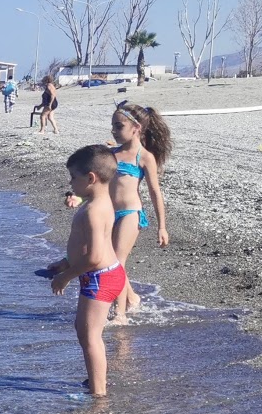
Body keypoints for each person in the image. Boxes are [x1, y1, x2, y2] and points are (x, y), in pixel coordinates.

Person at [42, 145, 122, 396]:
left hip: (100, 276)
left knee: (90, 337)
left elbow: (95, 257)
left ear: (90, 178)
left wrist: (66, 276)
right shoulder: (100, 201)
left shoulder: (93, 212)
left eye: (73, 177)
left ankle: (98, 395)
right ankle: (94, 380)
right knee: (84, 330)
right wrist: (67, 262)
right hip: (105, 274)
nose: (70, 182)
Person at [108, 102, 172, 323]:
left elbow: (155, 192)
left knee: (117, 261)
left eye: (118, 126)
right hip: (110, 214)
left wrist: (161, 227)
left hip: (130, 213)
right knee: (108, 260)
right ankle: (132, 298)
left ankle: (120, 314)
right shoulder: (111, 154)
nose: (114, 131)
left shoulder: (144, 157)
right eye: (113, 126)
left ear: (135, 128)